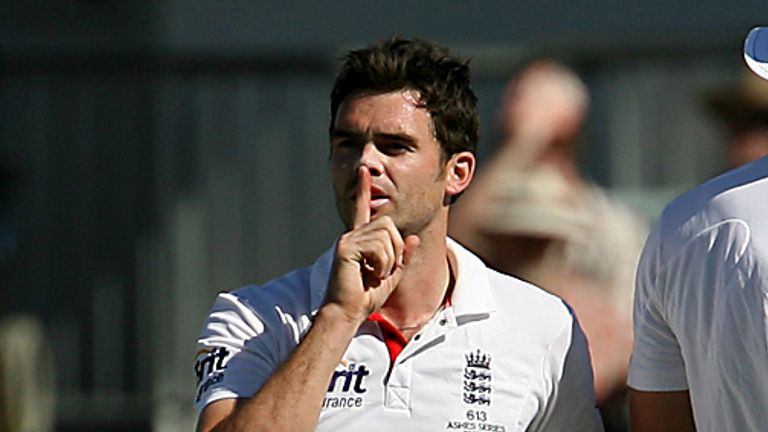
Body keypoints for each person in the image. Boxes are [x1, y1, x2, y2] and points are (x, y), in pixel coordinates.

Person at [193, 37, 603, 432]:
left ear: (457, 173)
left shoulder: (544, 326)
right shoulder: (253, 316)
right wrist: (338, 317)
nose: (365, 163)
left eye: (394, 146)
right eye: (349, 144)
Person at [449, 60, 647, 423]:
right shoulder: (497, 211)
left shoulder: (612, 224)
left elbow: (637, 340)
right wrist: (524, 141)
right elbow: (452, 234)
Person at [628, 42, 768, 430]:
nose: (744, 140)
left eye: (759, 121)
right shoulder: (684, 230)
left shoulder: (685, 228)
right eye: (737, 124)